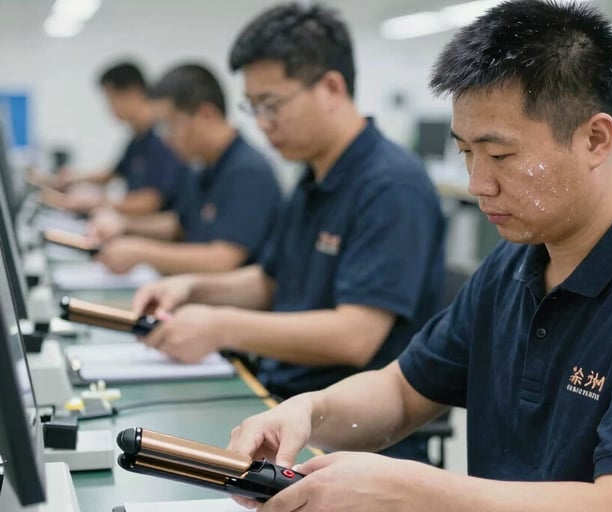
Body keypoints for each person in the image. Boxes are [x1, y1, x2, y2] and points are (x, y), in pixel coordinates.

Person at [225, 1, 612, 511]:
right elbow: (402, 391)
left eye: (500, 155)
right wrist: (308, 411)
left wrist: (410, 490)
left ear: (596, 140)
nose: (477, 183)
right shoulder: (514, 264)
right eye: (466, 152)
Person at [131, 4, 445, 463]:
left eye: (272, 105)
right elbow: (270, 281)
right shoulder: (312, 177)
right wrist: (192, 288)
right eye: (253, 106)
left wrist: (221, 326)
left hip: (350, 443)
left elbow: (354, 335)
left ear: (331, 88)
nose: (262, 123)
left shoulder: (391, 186)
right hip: (281, 406)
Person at [89, 63, 282, 275]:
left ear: (206, 114)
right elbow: (180, 224)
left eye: (171, 126)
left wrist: (141, 252)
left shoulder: (247, 171)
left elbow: (222, 259)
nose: (166, 139)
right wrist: (124, 226)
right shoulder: (202, 166)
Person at [39, 61, 188, 216]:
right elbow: (114, 173)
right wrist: (72, 178)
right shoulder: (139, 138)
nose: (109, 108)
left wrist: (95, 204)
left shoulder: (163, 137)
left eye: (111, 99)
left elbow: (151, 201)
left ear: (133, 93)